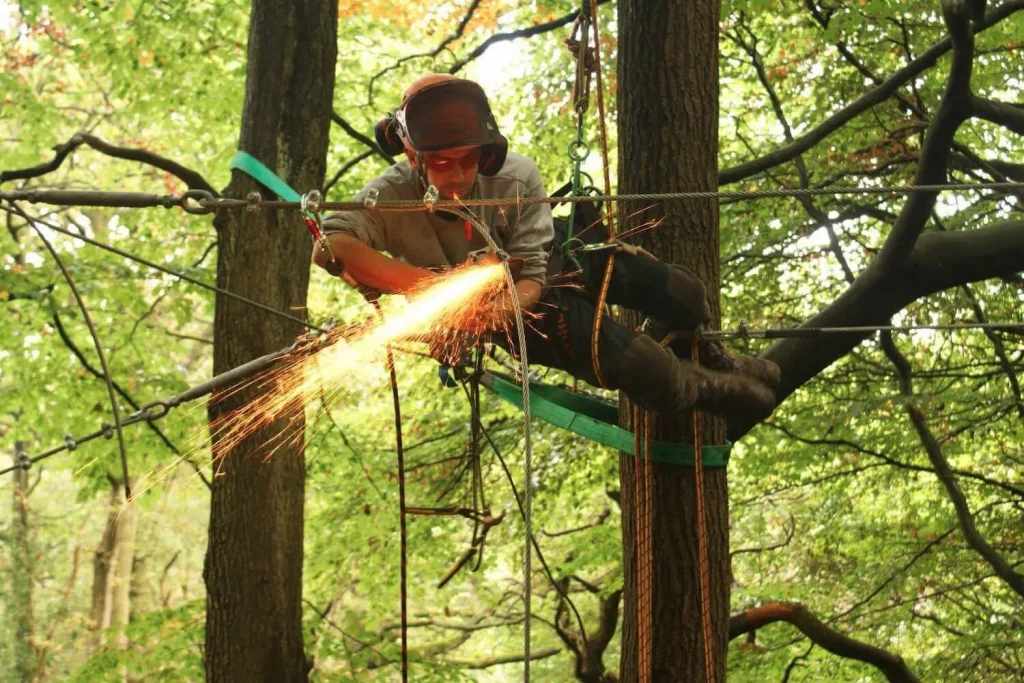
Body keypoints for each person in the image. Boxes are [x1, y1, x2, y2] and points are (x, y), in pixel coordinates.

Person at [313, 74, 779, 421]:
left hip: (549, 268)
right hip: (517, 319)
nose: (456, 175)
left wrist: (517, 297)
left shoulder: (516, 176)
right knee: (647, 368)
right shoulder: (389, 195)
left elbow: (535, 271)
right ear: (413, 155)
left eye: (468, 159)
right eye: (440, 163)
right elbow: (333, 242)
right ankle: (702, 388)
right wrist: (433, 289)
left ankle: (703, 353)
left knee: (685, 292)